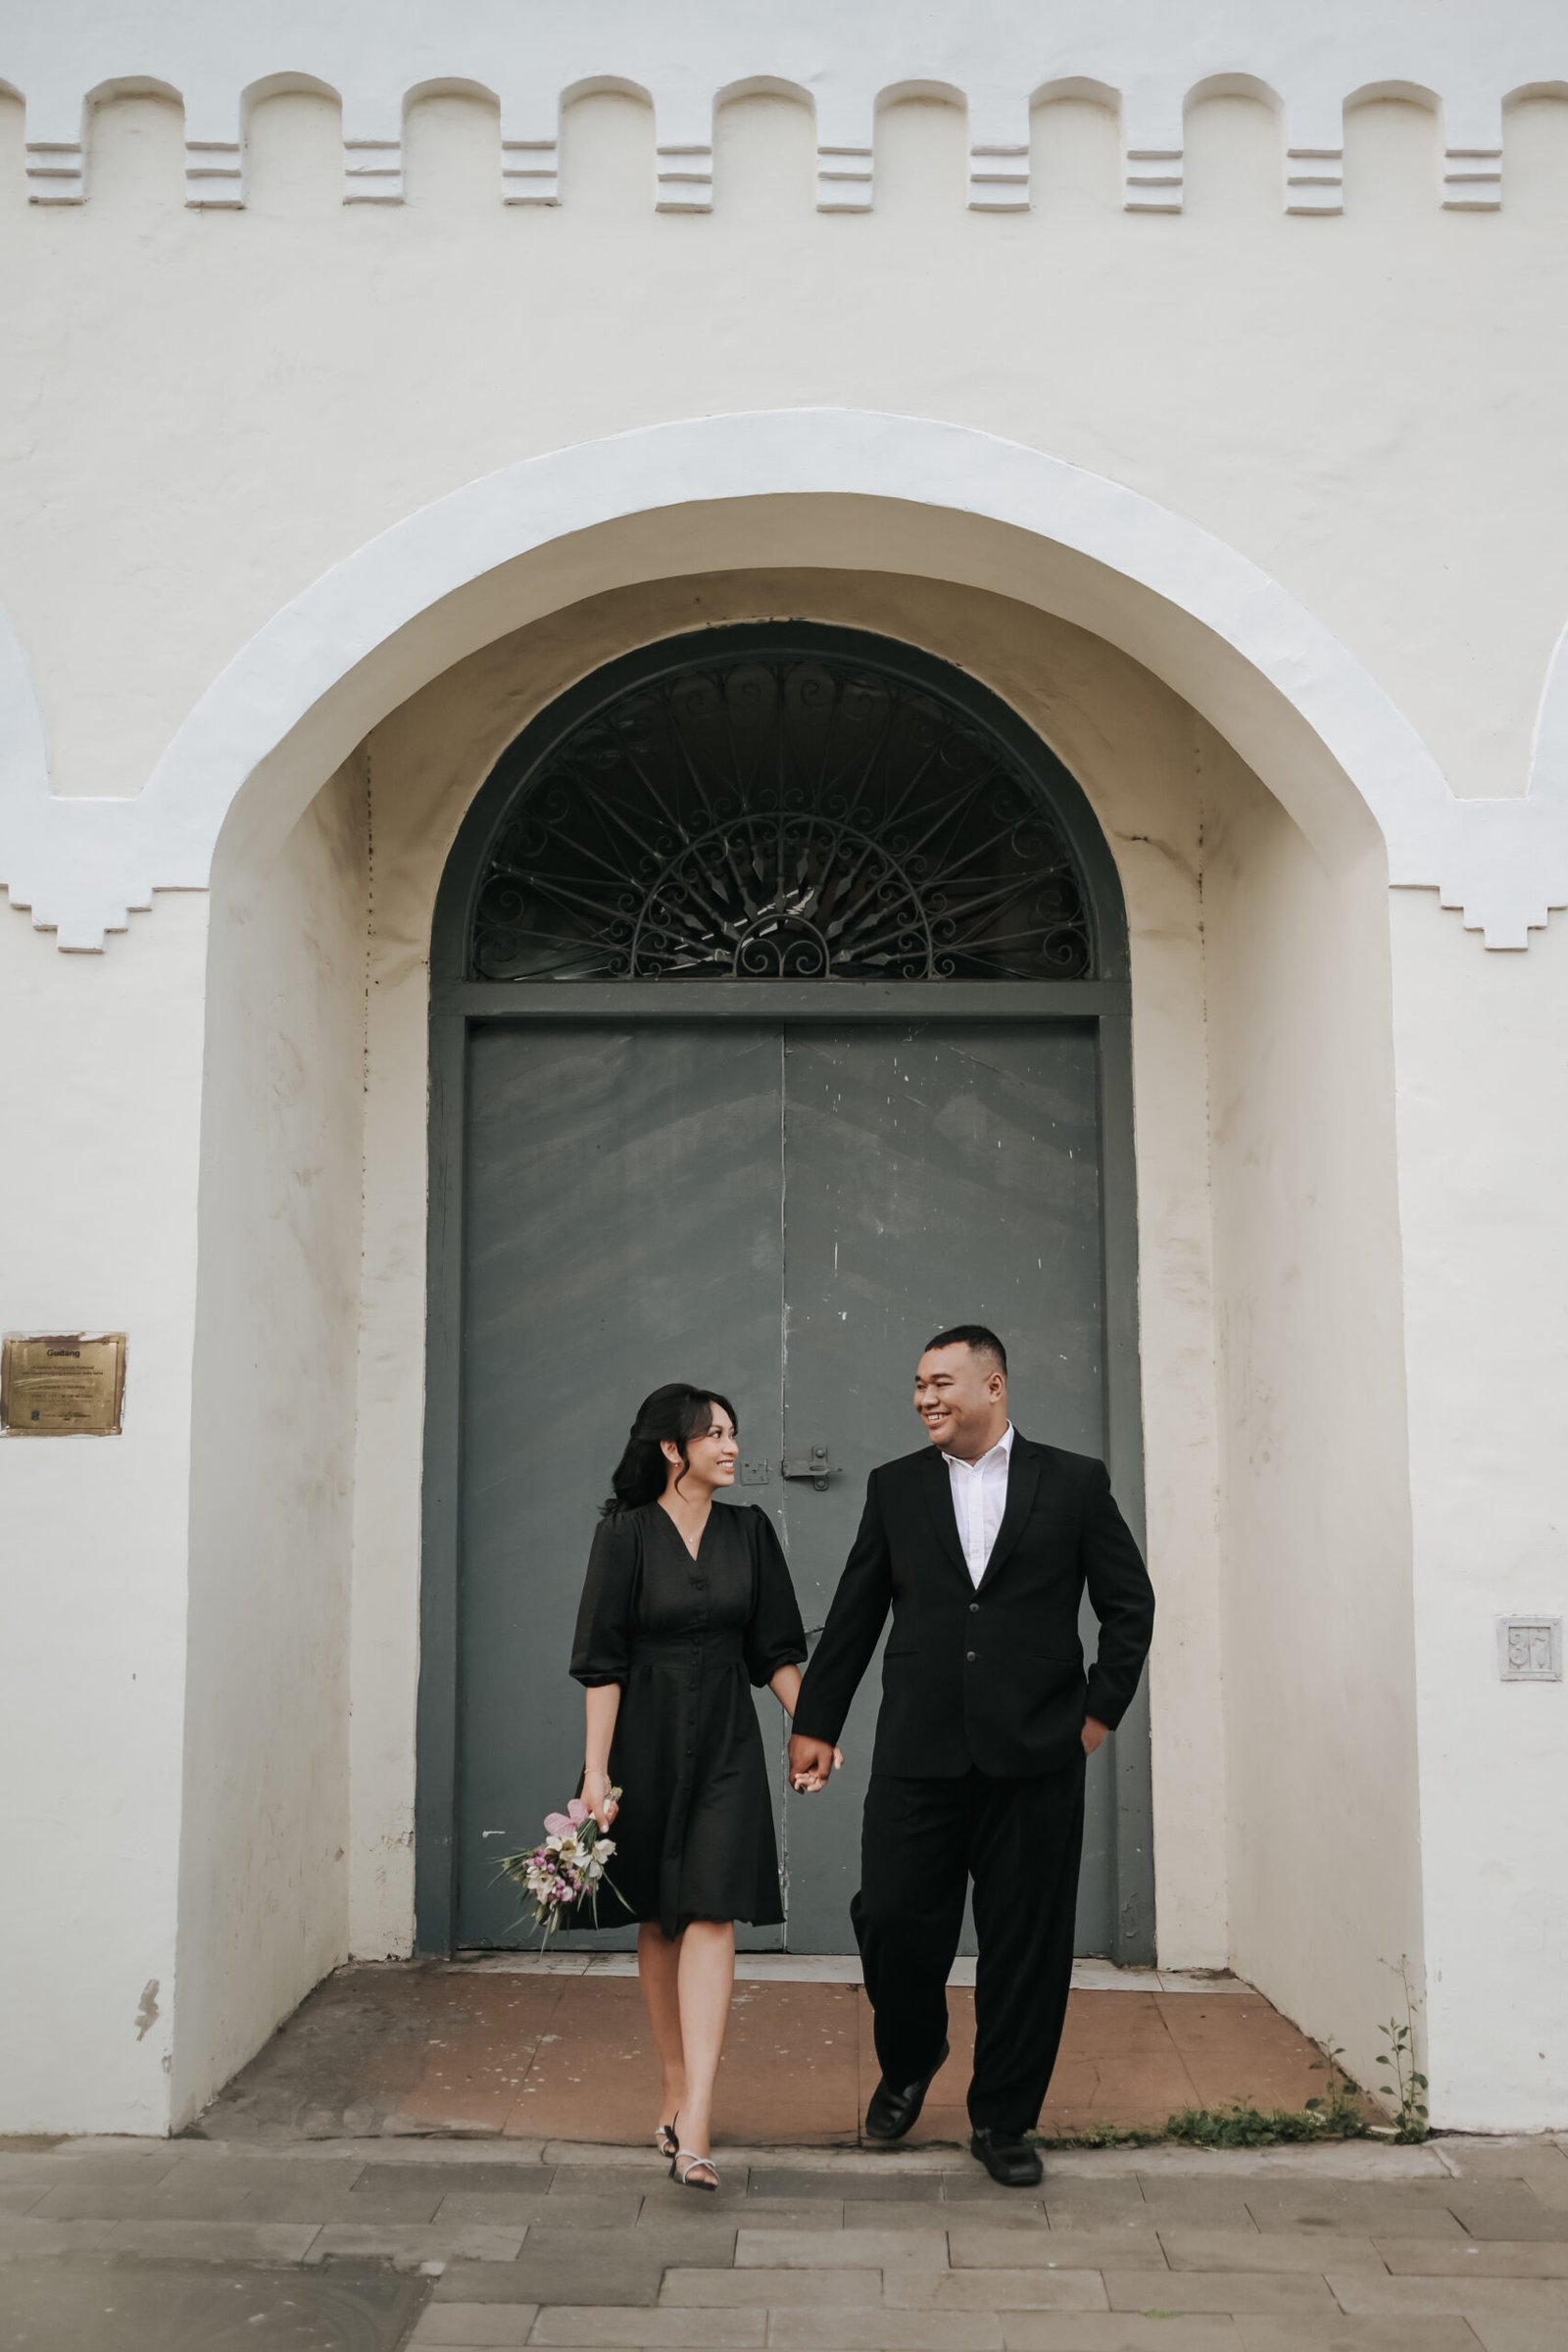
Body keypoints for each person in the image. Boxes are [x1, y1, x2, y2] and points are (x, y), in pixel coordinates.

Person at [788, 1325, 1154, 2187]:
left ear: (993, 1385)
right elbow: (856, 1612)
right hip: (918, 1751)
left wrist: (1096, 1717)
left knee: (1026, 1944)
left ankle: (1003, 2119)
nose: (925, 1398)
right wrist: (818, 1720)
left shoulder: (1074, 1482)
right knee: (891, 1918)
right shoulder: (896, 1487)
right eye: (919, 1384)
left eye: (941, 1382)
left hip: (1038, 1755)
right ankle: (912, 2056)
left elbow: (1128, 1605)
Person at [570, 1383, 830, 2191]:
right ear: (670, 1449)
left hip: (725, 1743)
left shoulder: (750, 1532)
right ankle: (676, 2086)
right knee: (659, 1917)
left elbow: (774, 1651)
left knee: (712, 1910)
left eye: (732, 1432)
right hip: (642, 1743)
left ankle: (700, 2123)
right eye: (713, 1434)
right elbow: (603, 1664)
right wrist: (596, 1773)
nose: (730, 1446)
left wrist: (812, 1729)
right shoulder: (624, 1535)